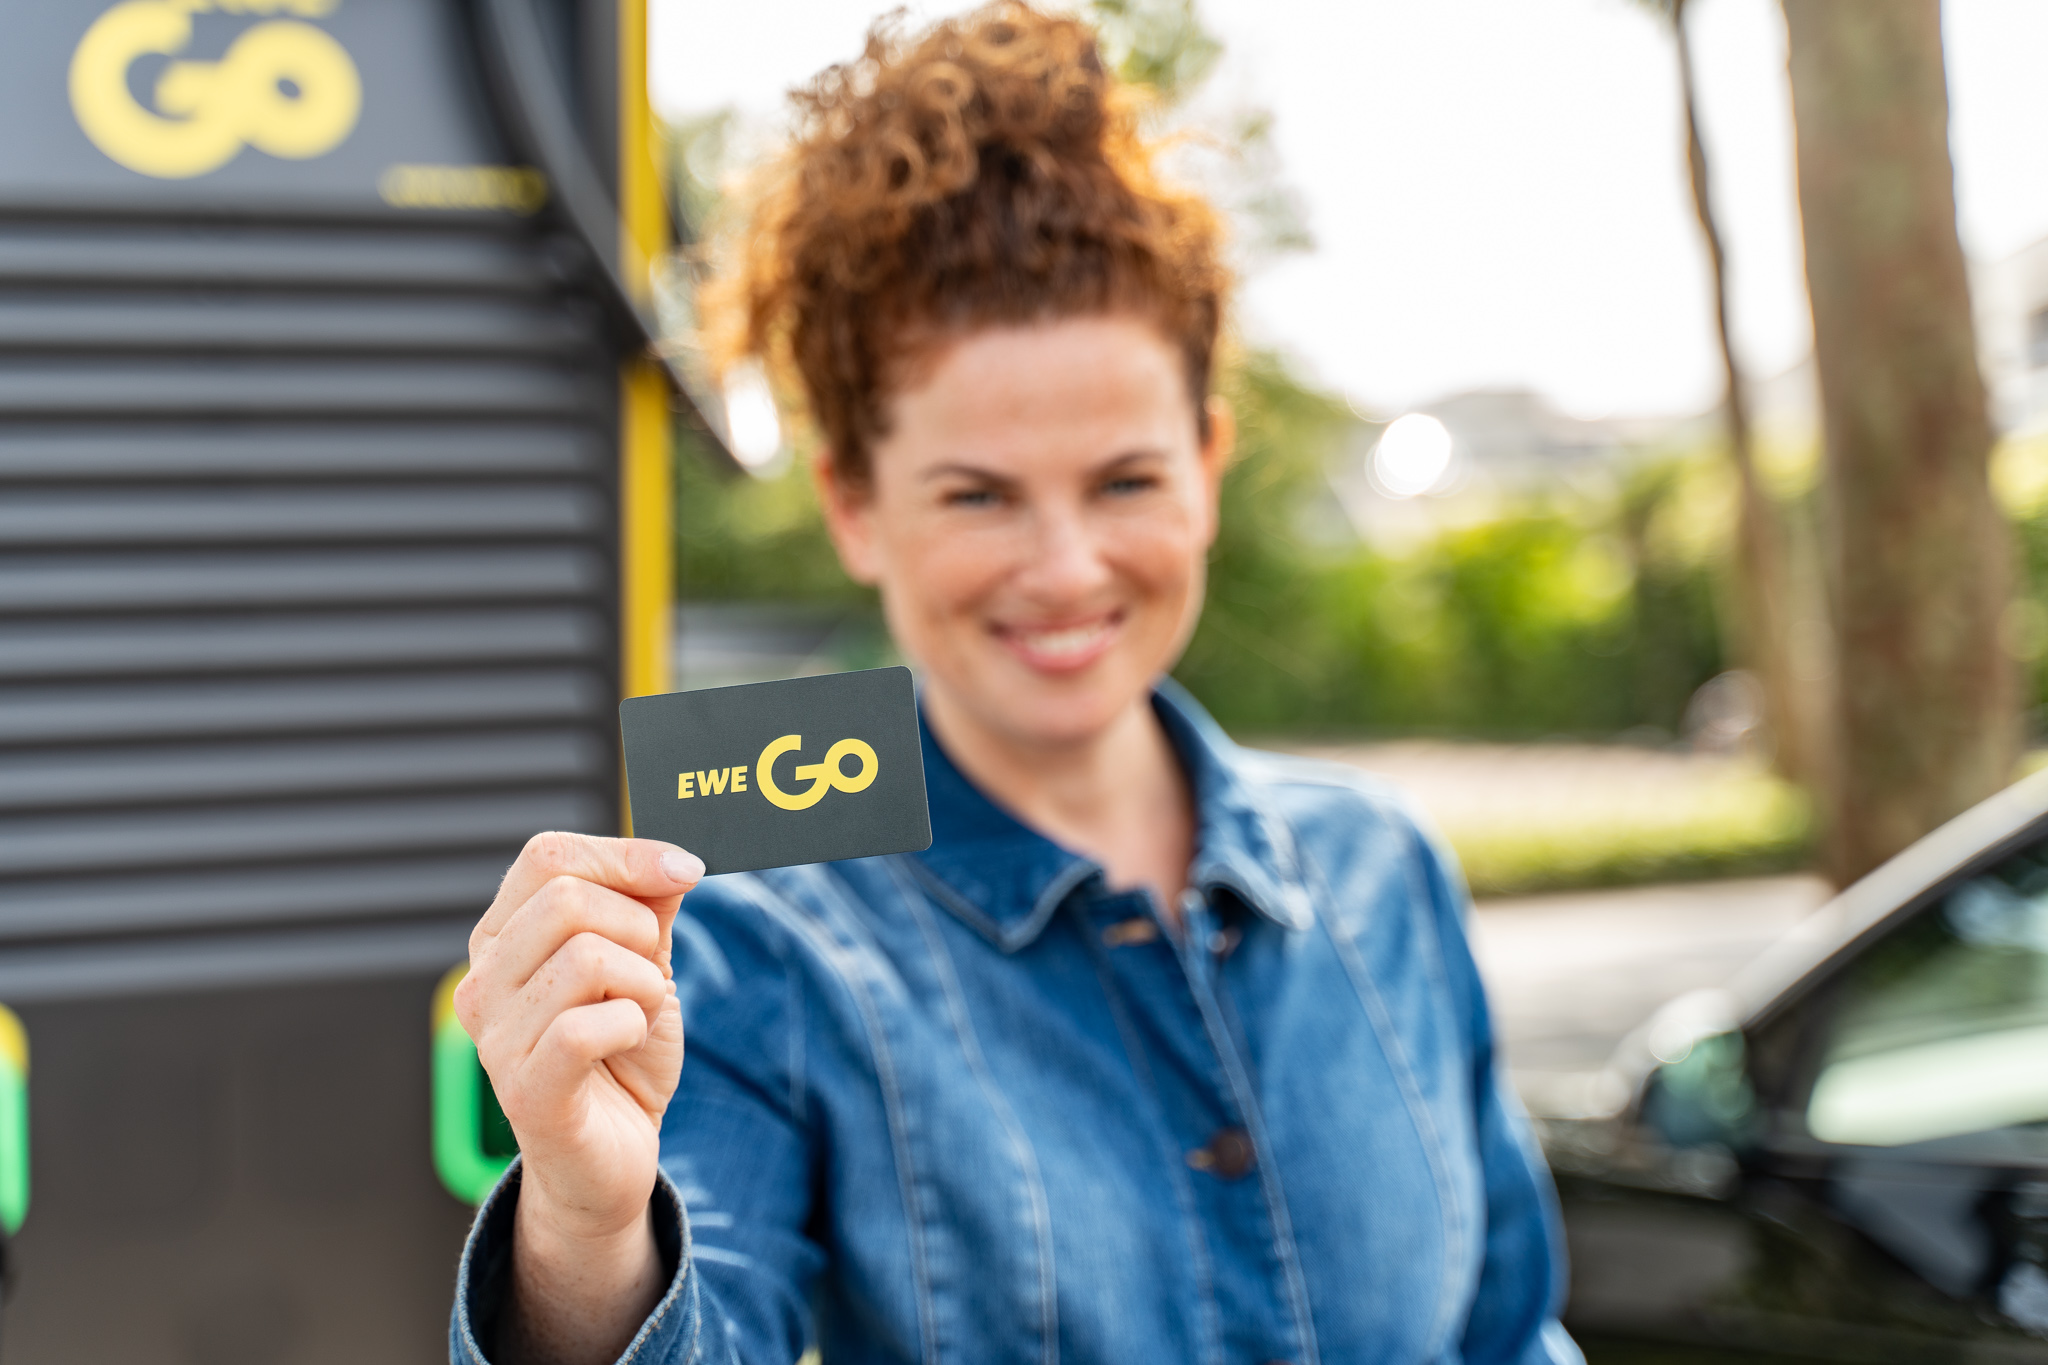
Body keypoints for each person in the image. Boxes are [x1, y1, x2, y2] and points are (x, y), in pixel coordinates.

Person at [449, 6, 1581, 1363]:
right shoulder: (762, 936)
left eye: (1126, 480)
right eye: (978, 494)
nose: (1064, 567)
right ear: (857, 506)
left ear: (1209, 466)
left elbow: (1510, 1333)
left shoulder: (1383, 870)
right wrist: (585, 1221)